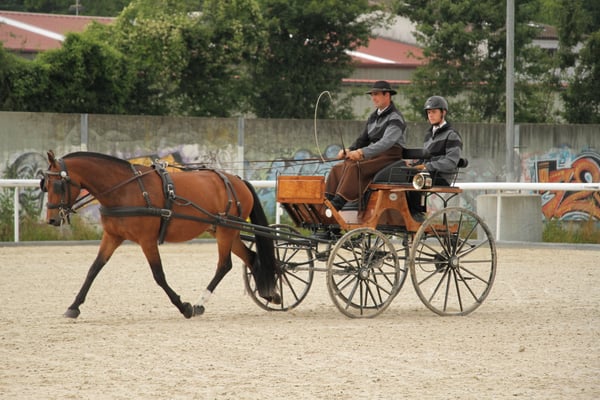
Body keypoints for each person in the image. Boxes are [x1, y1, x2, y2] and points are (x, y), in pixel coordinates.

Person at [325, 80, 407, 210]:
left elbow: (386, 142)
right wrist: (349, 150)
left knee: (355, 167)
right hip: (374, 154)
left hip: (390, 156)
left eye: (376, 94)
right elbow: (363, 140)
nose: (373, 98)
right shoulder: (373, 117)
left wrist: (362, 152)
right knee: (338, 167)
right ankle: (327, 200)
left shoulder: (395, 118)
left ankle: (338, 203)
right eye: (372, 95)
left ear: (387, 95)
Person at [407, 95, 463, 218]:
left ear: (443, 112)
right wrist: (412, 165)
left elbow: (451, 162)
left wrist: (427, 166)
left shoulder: (452, 135)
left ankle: (416, 215)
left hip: (442, 176)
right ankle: (408, 214)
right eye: (428, 112)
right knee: (402, 175)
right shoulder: (429, 135)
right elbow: (425, 158)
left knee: (413, 178)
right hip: (428, 174)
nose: (430, 115)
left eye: (434, 112)